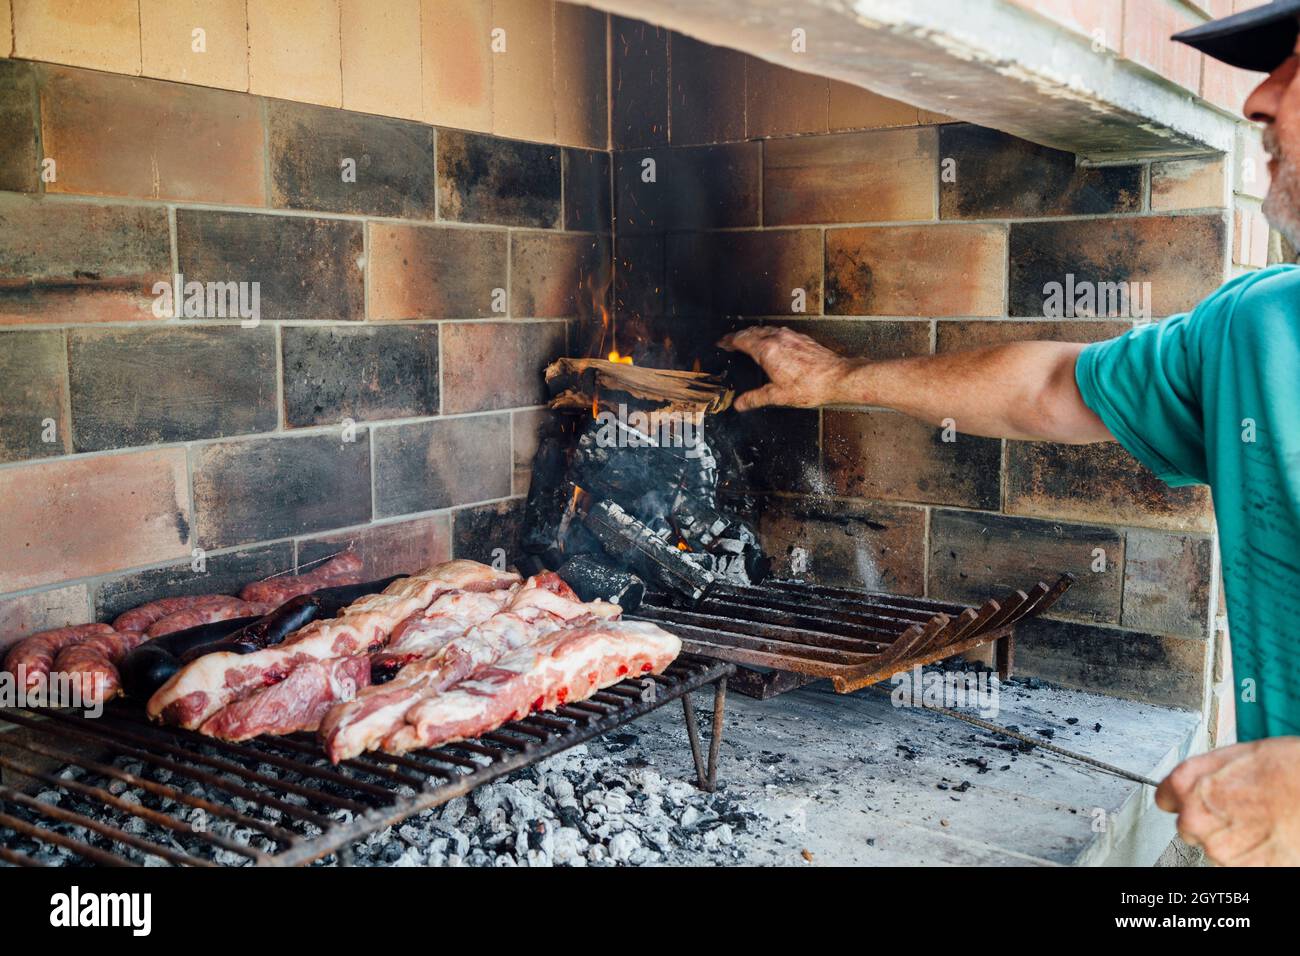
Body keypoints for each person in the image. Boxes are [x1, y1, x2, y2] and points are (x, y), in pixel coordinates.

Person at [721, 3, 1300, 865]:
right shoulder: (1258, 328)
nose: (1260, 98)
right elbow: (1048, 387)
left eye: (1296, 64)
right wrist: (839, 379)